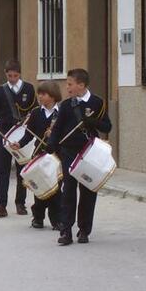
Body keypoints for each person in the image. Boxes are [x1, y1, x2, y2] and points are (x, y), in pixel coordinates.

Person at [47, 69, 112, 245]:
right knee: (68, 191)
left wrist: (93, 122)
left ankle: (84, 230)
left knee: (88, 192)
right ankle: (66, 230)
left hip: (89, 153)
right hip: (68, 152)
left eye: (70, 84)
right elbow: (58, 128)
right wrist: (51, 143)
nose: (67, 87)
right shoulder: (66, 105)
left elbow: (107, 127)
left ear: (81, 85)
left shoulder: (97, 102)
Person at [0, 59, 37, 218]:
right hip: (5, 134)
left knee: (22, 169)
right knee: (2, 169)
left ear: (20, 74)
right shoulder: (0, 91)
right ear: (5, 74)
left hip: (22, 134)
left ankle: (20, 203)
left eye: (15, 75)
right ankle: (1, 204)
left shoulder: (28, 88)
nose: (12, 79)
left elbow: (34, 109)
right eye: (10, 76)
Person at [10, 81, 62, 229]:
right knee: (39, 186)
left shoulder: (61, 113)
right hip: (39, 154)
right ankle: (38, 217)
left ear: (52, 96)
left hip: (56, 156)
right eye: (39, 93)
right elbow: (28, 134)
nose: (39, 96)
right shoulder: (36, 113)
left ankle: (56, 219)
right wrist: (19, 144)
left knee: (56, 189)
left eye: (43, 94)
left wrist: (54, 134)